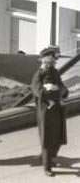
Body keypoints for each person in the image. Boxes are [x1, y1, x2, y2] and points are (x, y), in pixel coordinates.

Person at [31, 47, 69, 176]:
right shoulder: (38, 75)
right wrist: (51, 92)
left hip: (57, 109)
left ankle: (49, 158)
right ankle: (47, 167)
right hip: (45, 111)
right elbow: (38, 91)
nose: (50, 65)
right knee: (47, 138)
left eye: (52, 62)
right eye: (47, 62)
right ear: (43, 61)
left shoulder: (55, 72)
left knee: (57, 137)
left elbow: (63, 87)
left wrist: (60, 91)